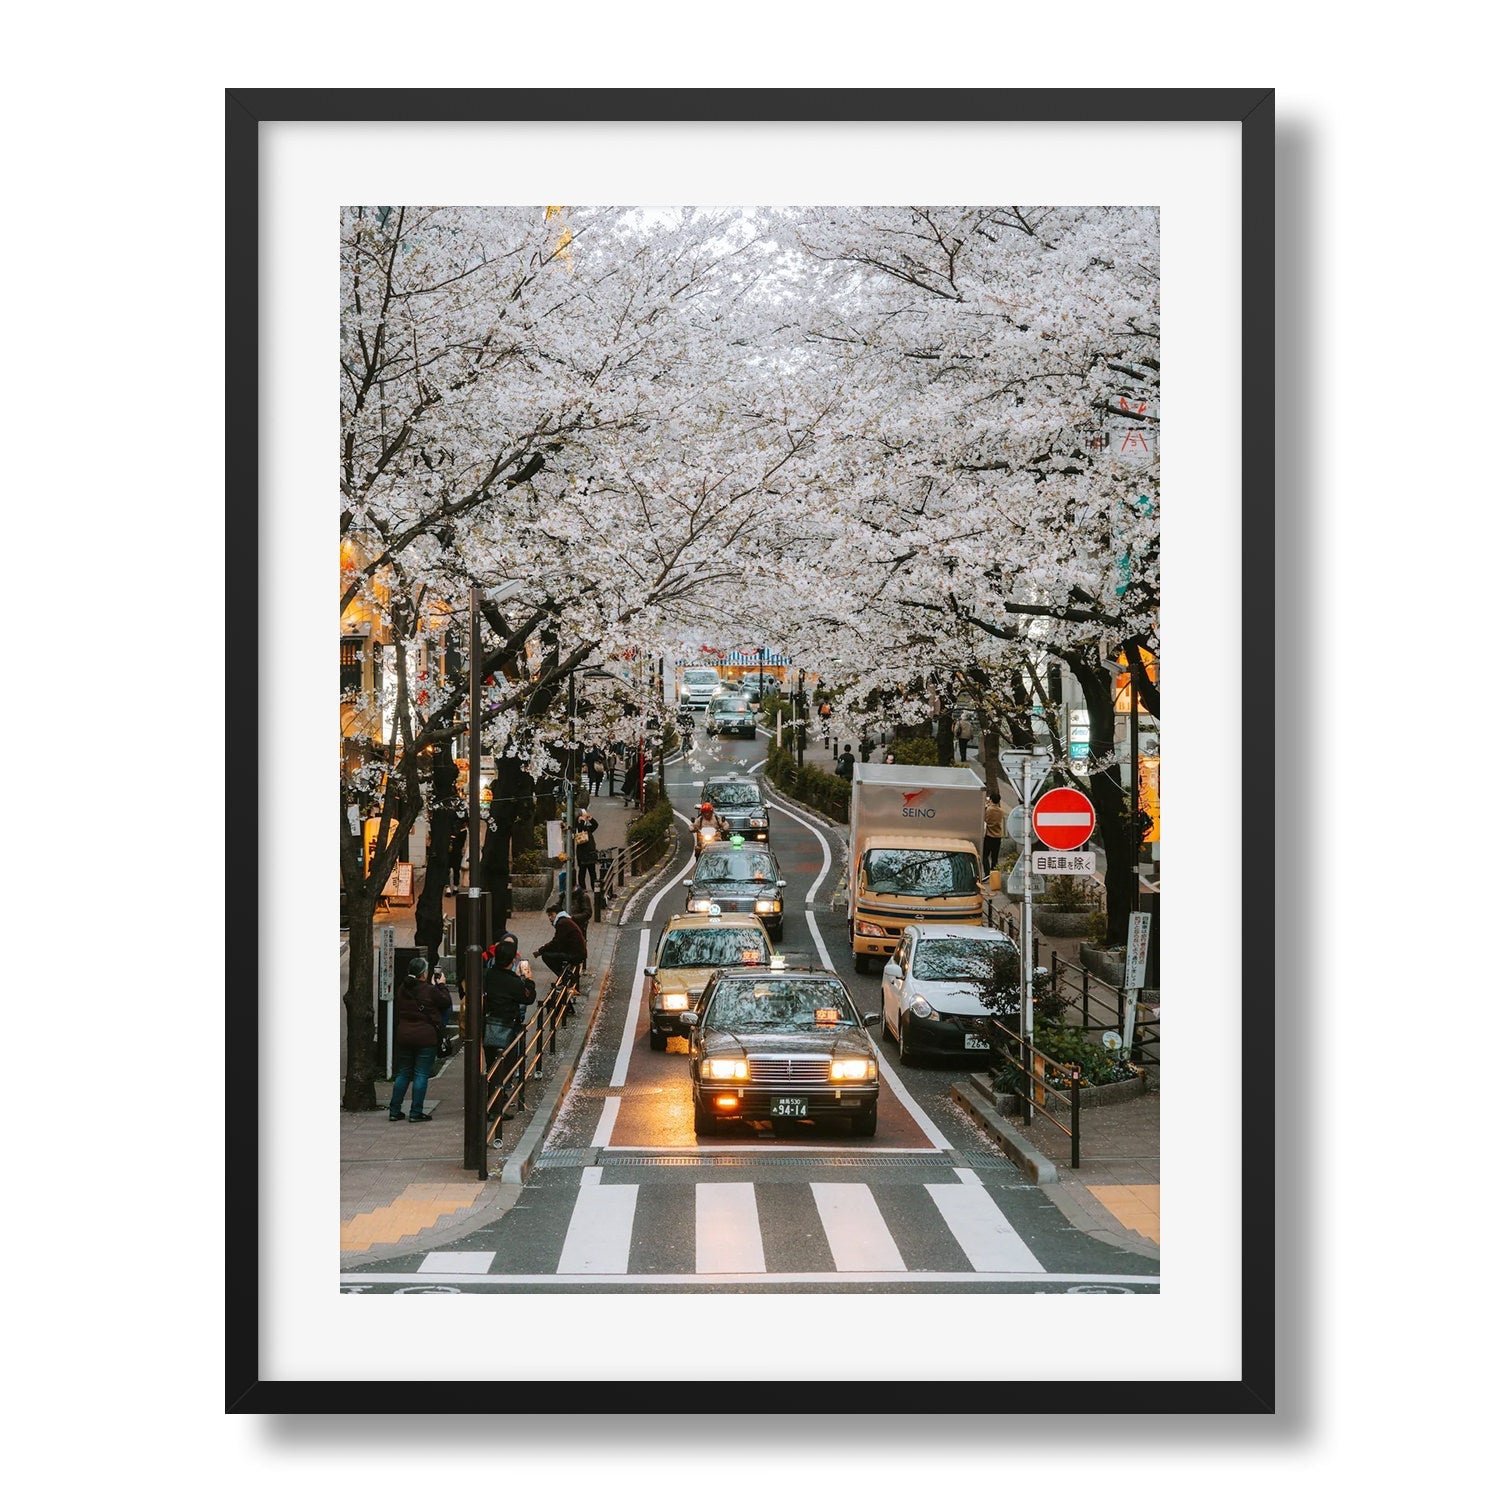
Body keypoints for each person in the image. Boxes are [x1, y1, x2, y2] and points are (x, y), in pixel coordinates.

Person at [482, 936, 536, 1120]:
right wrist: (528, 979)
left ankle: (495, 1101)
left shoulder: (487, 975)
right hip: (506, 1027)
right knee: (505, 1067)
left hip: (488, 1026)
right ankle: (494, 1108)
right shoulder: (512, 982)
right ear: (512, 961)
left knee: (492, 1065)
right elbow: (528, 997)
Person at [388, 957, 445, 1122]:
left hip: (404, 1035)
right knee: (421, 1073)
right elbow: (445, 1002)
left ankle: (394, 1110)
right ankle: (416, 1111)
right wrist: (441, 985)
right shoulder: (429, 990)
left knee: (403, 1072)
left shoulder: (402, 989)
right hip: (425, 1037)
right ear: (424, 974)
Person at [535, 901, 588, 982]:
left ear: (557, 914)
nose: (550, 918)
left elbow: (556, 942)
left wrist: (541, 950)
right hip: (577, 951)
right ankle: (566, 976)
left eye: (551, 915)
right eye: (548, 916)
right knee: (553, 954)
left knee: (546, 956)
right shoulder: (565, 921)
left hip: (575, 954)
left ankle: (566, 977)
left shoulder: (562, 923)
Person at [574, 807, 600, 892]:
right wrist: (581, 820)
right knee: (582, 872)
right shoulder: (578, 828)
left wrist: (591, 819)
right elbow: (580, 829)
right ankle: (583, 888)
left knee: (592, 872)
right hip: (582, 854)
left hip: (590, 853)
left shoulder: (587, 829)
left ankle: (594, 887)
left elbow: (595, 825)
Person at [983, 793, 1006, 875]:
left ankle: (987, 873)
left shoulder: (988, 809)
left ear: (991, 800)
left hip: (989, 835)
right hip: (998, 836)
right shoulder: (1001, 811)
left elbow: (985, 819)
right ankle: (994, 874)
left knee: (984, 856)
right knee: (994, 858)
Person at [446, 824, 467, 895]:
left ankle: (448, 888)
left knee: (448, 870)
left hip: (448, 852)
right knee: (455, 870)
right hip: (456, 852)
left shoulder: (447, 828)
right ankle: (454, 887)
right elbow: (462, 843)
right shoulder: (463, 831)